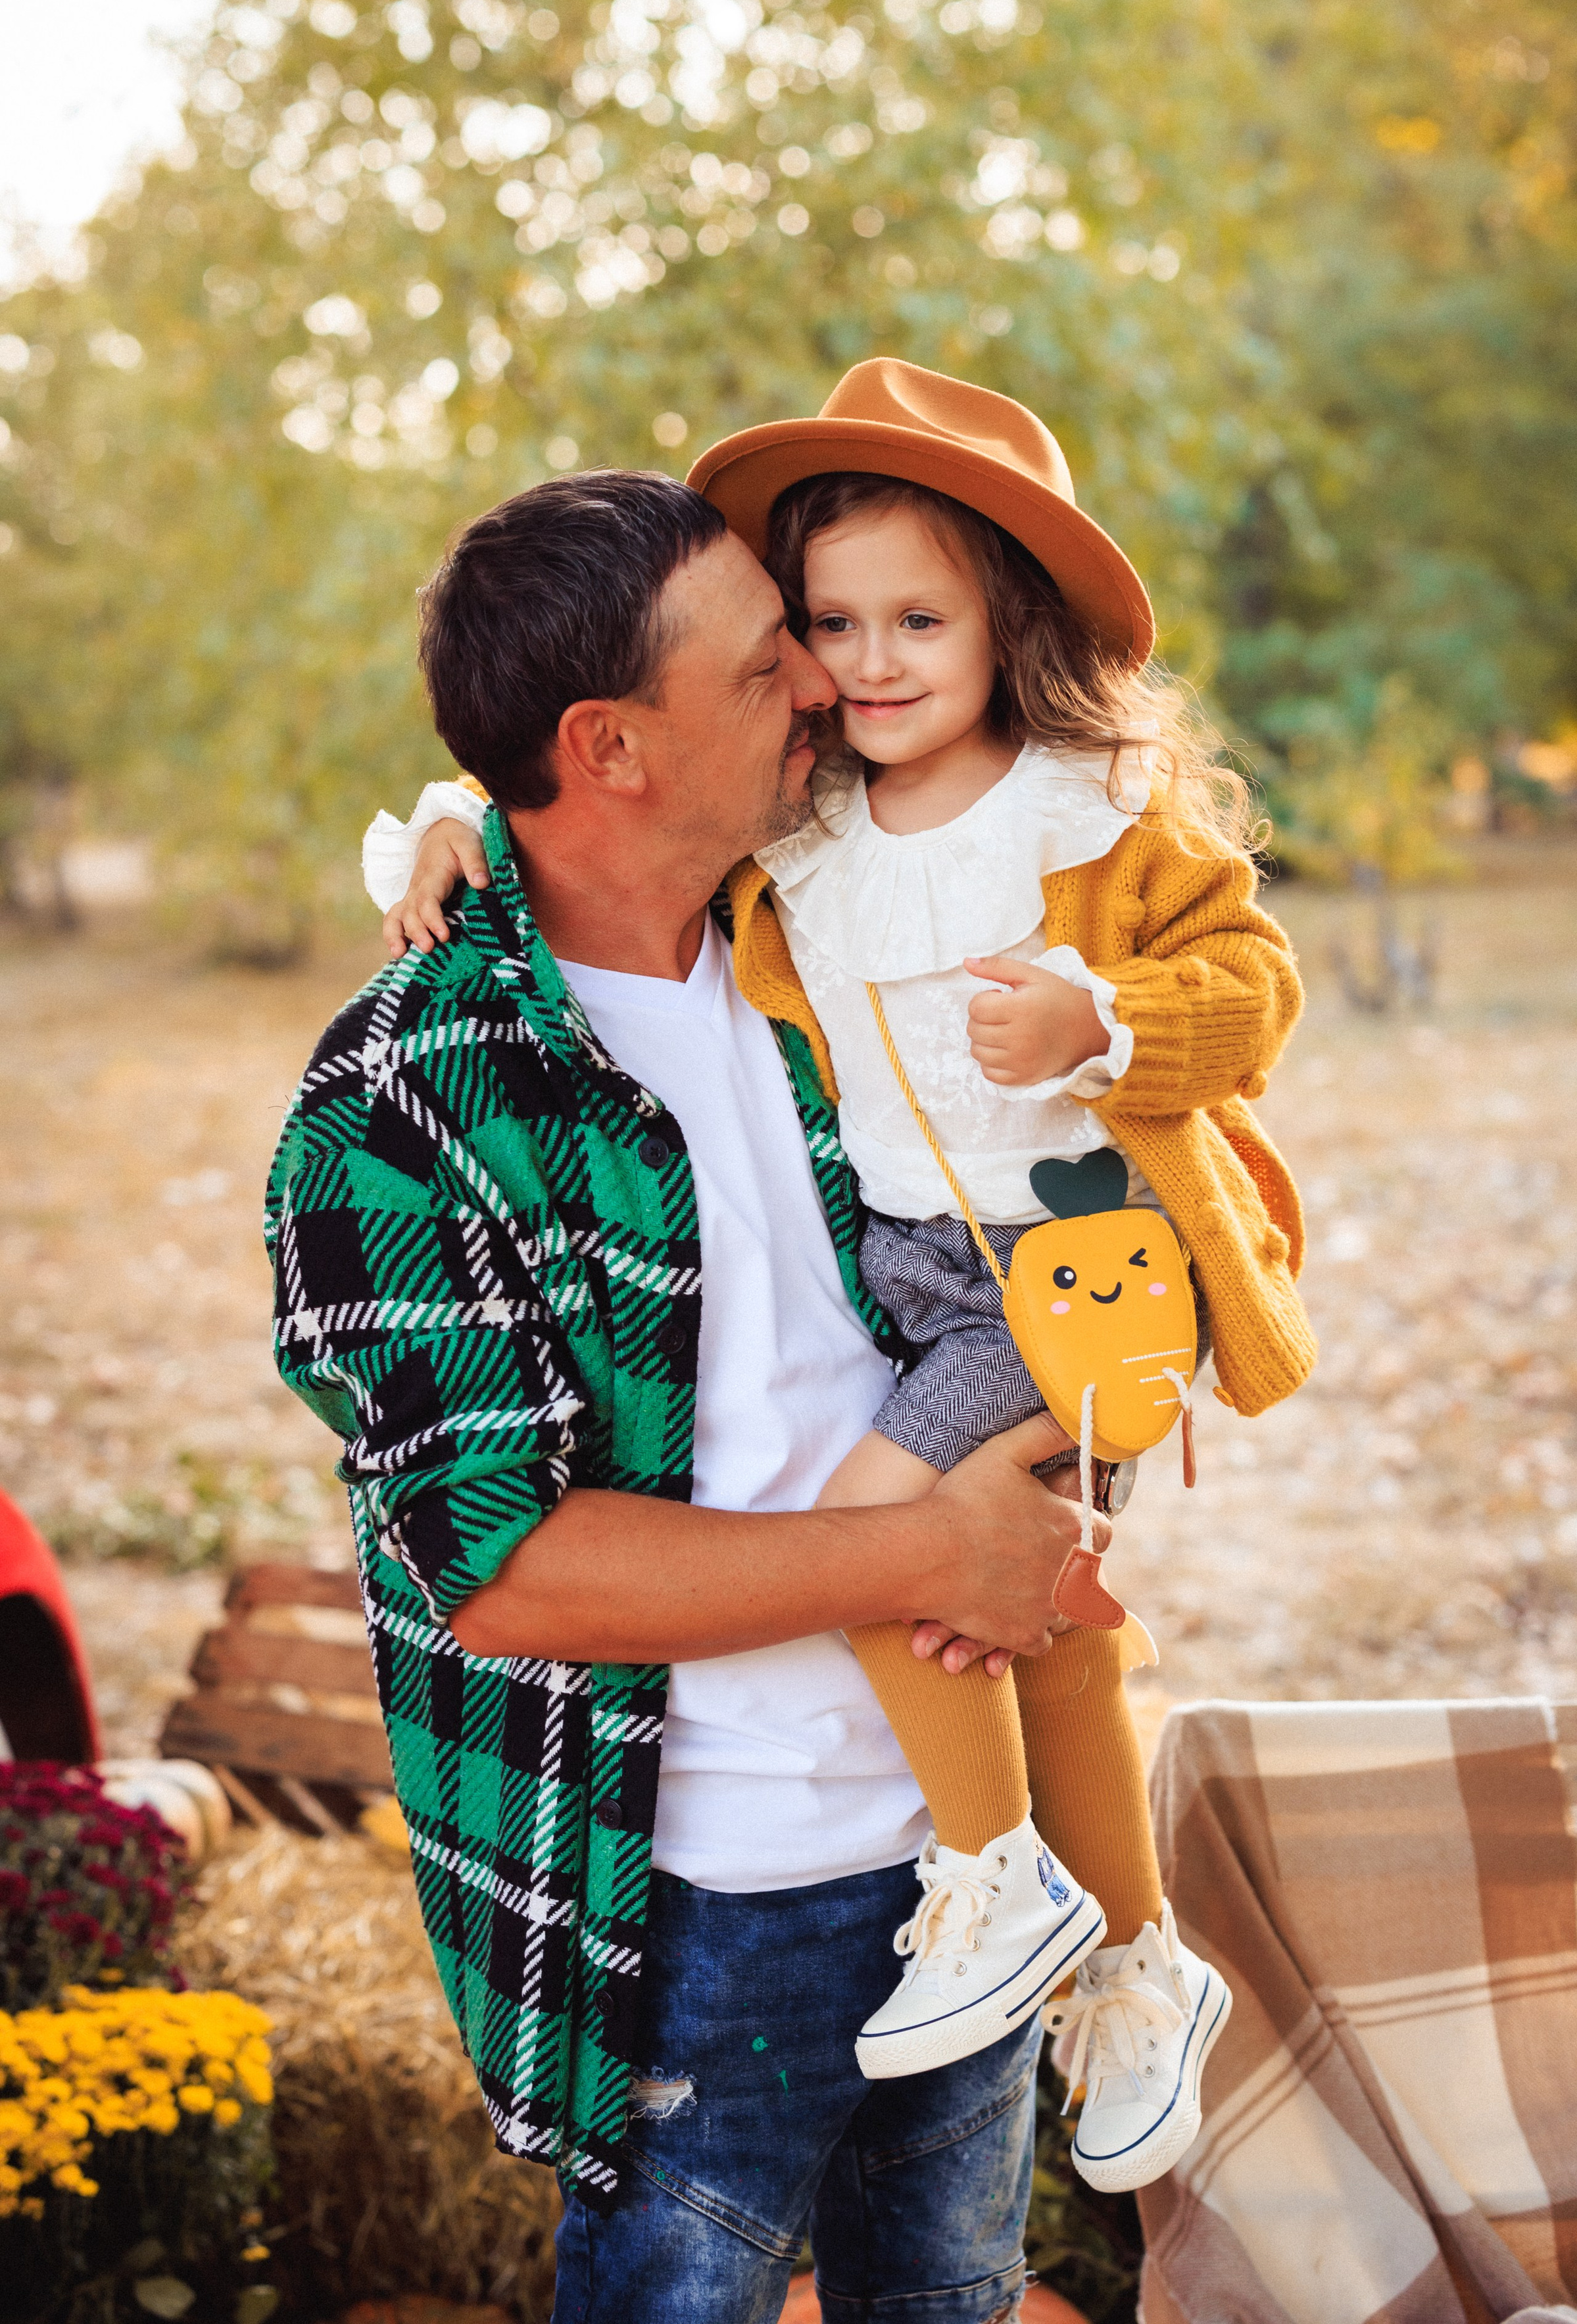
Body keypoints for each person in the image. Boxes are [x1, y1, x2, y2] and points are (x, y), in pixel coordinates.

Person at [370, 359, 1317, 2196]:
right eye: (814, 630)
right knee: (996, 1594)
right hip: (910, 1331)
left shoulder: (1085, 814)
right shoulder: (795, 852)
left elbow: (1250, 988)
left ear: (1005, 622)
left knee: (903, 1541)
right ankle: (1111, 1943)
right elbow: (575, 782)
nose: (852, 668)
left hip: (1079, 1271)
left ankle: (1013, 1893)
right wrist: (442, 814)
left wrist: (1107, 1022)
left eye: (913, 621)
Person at [268, 463, 1116, 2324]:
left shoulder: (830, 950)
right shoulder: (406, 1102)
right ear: (613, 747)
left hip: (961, 1853)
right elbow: (494, 1566)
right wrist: (925, 1557)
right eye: (765, 665)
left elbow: (1029, 1242)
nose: (823, 680)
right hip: (695, 1914)